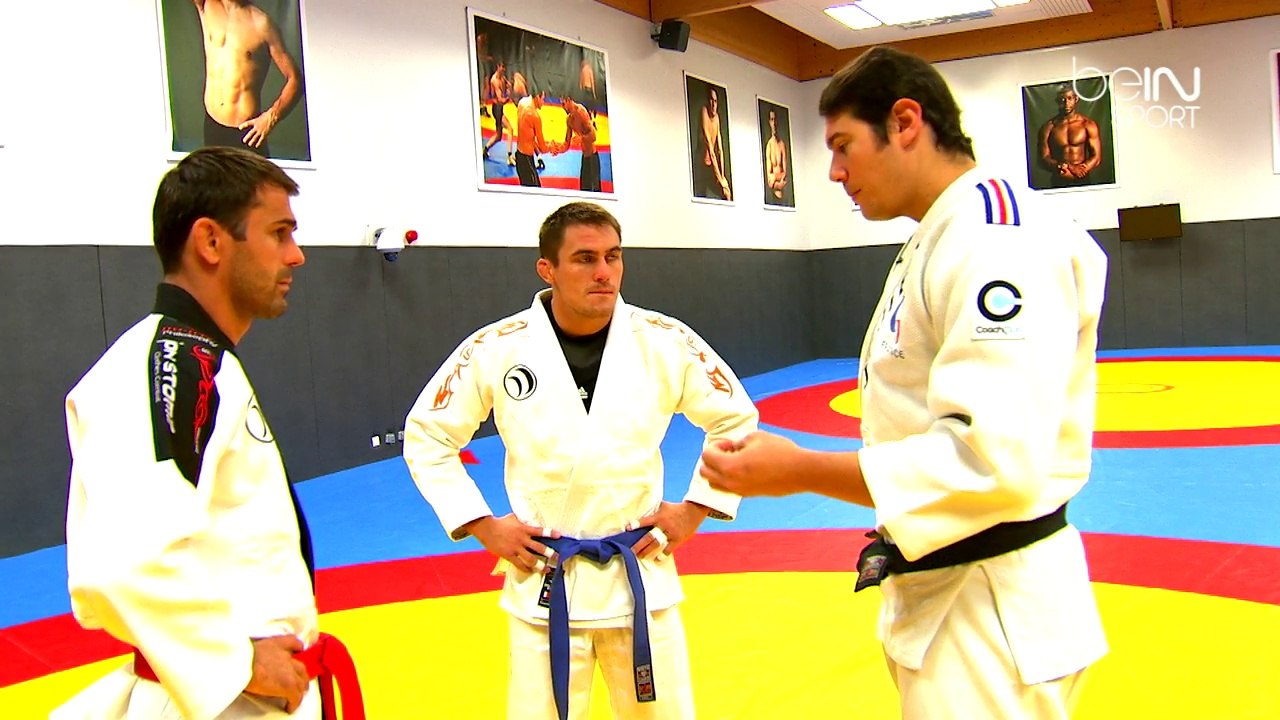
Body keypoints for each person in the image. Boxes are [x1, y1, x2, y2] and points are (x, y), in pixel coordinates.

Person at [699, 46, 1108, 719]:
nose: (833, 172)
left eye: (842, 145)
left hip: (990, 609)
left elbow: (989, 459)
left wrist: (801, 469)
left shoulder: (994, 239)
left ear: (907, 121)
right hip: (954, 591)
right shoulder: (940, 234)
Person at [403, 202, 759, 720]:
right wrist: (483, 526)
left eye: (614, 257)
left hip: (640, 572)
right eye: (585, 258)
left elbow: (735, 420)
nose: (603, 273)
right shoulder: (497, 347)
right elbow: (428, 435)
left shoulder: (664, 340)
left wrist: (696, 508)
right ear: (547, 269)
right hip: (543, 580)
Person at [55, 147, 363, 720]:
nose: (295, 256)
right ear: (211, 242)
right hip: (219, 698)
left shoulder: (201, 361)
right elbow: (127, 559)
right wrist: (236, 663)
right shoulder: (172, 365)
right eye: (278, 233)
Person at [192, 0, 303, 157]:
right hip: (212, 125)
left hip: (246, 134)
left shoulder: (262, 24)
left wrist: (271, 117)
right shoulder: (206, 5)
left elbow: (295, 79)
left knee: (255, 182)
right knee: (214, 181)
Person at [1038, 84, 1103, 186]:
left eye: (1069, 98)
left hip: (1083, 179)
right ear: (1057, 101)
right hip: (1058, 180)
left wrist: (1081, 170)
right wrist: (1063, 166)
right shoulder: (1048, 127)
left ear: (1076, 99)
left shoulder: (1087, 124)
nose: (1066, 103)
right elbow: (1043, 158)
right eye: (1062, 100)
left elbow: (1097, 157)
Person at [693, 85, 731, 201]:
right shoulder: (704, 112)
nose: (713, 104)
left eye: (715, 101)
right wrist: (720, 179)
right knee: (702, 197)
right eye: (711, 100)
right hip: (702, 167)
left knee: (727, 193)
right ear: (707, 100)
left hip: (712, 166)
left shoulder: (717, 118)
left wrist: (723, 176)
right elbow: (710, 148)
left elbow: (720, 150)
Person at [514, 90, 557, 187]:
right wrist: (551, 147)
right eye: (543, 98)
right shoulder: (535, 116)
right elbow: (543, 148)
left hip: (519, 156)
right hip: (527, 161)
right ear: (537, 96)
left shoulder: (522, 102)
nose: (544, 102)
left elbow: (528, 136)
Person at [560, 95, 600, 192]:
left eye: (563, 104)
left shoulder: (581, 112)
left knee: (594, 192)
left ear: (569, 100)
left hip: (592, 158)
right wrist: (555, 149)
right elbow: (566, 143)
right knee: (584, 190)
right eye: (561, 104)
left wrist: (581, 138)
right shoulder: (569, 119)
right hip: (585, 158)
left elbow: (594, 136)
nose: (562, 107)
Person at [484, 60, 515, 165]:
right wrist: (509, 97)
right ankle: (510, 156)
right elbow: (501, 100)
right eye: (502, 67)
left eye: (505, 67)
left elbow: (507, 84)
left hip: (499, 108)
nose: (504, 69)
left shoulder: (502, 77)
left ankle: (485, 149)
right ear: (498, 66)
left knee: (498, 136)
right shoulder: (494, 80)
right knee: (510, 128)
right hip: (497, 109)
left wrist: (510, 86)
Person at [763, 108, 789, 203]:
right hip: (773, 195)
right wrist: (778, 184)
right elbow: (769, 180)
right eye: (772, 119)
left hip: (783, 196)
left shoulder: (782, 145)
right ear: (769, 122)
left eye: (775, 120)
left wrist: (775, 177)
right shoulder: (769, 146)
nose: (774, 123)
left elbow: (785, 174)